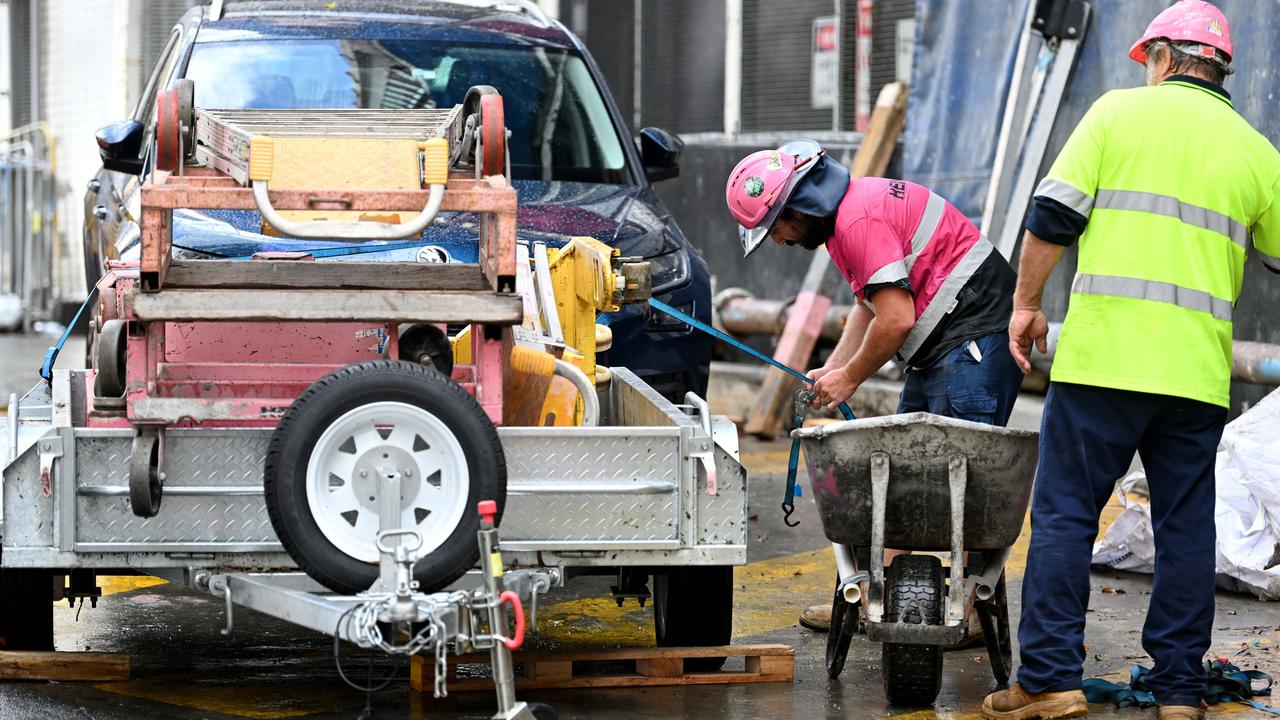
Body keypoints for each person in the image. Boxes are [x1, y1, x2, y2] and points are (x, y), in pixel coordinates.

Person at [983, 3, 1280, 720]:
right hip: (1196, 377)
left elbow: (1051, 218)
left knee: (1064, 517)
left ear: (1165, 57)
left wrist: (1024, 303)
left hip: (1101, 365)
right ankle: (1179, 691)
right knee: (1186, 528)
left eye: (1148, 60)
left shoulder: (1115, 116)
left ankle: (1050, 680)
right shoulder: (1255, 151)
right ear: (1219, 69)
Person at [725, 140, 1025, 632]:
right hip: (941, 344)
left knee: (965, 480)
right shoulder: (848, 219)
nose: (777, 241)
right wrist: (834, 366)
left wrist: (851, 378)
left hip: (974, 340)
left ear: (796, 207)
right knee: (900, 471)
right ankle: (870, 599)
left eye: (773, 228)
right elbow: (870, 305)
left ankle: (969, 610)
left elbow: (895, 318)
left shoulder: (856, 221)